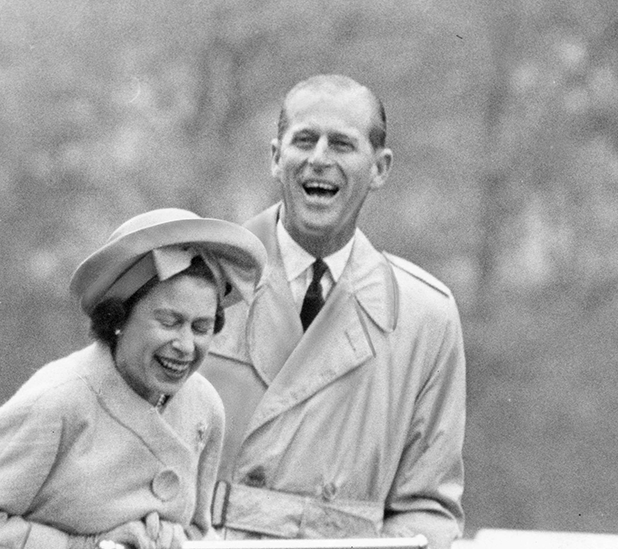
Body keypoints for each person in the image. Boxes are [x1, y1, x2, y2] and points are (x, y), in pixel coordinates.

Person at [198, 75, 466, 549]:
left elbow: (427, 514)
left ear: (380, 168)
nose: (319, 158)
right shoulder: (201, 281)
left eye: (342, 144)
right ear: (276, 157)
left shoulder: (425, 316)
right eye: (304, 140)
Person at [0, 209, 267, 549]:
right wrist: (82, 545)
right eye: (168, 322)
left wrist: (175, 539)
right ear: (118, 317)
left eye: (201, 327)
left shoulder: (204, 408)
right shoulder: (56, 402)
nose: (185, 345)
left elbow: (196, 530)